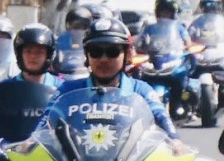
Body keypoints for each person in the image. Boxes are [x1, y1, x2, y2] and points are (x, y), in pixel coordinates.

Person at [45, 17, 178, 138]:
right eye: (96, 52)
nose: (103, 59)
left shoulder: (141, 90)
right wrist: (31, 144)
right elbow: (45, 122)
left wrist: (175, 141)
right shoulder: (67, 90)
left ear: (126, 55)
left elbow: (162, 117)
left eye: (112, 52)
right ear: (87, 56)